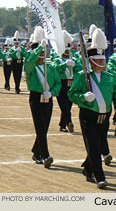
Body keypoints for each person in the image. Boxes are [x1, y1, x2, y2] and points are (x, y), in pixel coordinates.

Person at [68, 28, 116, 189]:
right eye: (98, 60)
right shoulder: (82, 75)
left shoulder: (110, 77)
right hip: (88, 116)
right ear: (91, 61)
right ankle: (100, 176)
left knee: (99, 146)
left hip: (104, 117)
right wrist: (83, 97)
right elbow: (72, 94)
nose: (101, 62)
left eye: (102, 60)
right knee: (93, 146)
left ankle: (87, 168)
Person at [24, 26, 61, 168]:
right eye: (40, 52)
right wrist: (39, 47)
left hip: (48, 98)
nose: (42, 54)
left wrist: (52, 93)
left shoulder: (50, 67)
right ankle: (45, 155)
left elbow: (58, 83)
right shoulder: (31, 67)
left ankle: (36, 150)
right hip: (36, 98)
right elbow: (28, 65)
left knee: (44, 127)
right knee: (40, 127)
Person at [52, 30, 81, 132]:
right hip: (61, 84)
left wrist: (75, 64)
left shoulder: (73, 58)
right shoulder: (57, 59)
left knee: (68, 105)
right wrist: (65, 64)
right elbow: (55, 68)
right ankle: (69, 122)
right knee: (63, 105)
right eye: (65, 50)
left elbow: (80, 67)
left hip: (71, 84)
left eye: (68, 50)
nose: (67, 51)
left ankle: (62, 124)